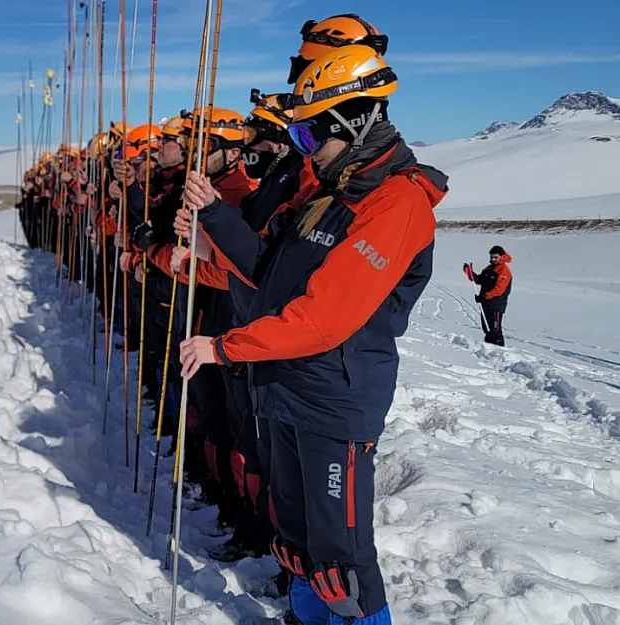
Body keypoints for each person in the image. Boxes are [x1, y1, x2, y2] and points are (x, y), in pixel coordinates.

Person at [175, 45, 448, 625]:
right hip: (285, 385)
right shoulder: (329, 189)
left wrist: (224, 347)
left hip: (334, 397)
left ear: (352, 125)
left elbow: (326, 317)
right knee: (296, 542)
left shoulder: (395, 202)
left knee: (342, 559)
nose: (304, 153)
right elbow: (271, 272)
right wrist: (211, 225)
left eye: (308, 139)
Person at [463, 246, 512, 346]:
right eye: (491, 257)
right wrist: (470, 273)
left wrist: (484, 296)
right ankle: (489, 349)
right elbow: (479, 280)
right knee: (487, 328)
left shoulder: (504, 271)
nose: (493, 259)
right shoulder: (489, 268)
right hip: (485, 303)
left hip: (496, 304)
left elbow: (499, 289)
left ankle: (499, 351)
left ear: (502, 256)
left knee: (495, 330)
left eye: (495, 257)